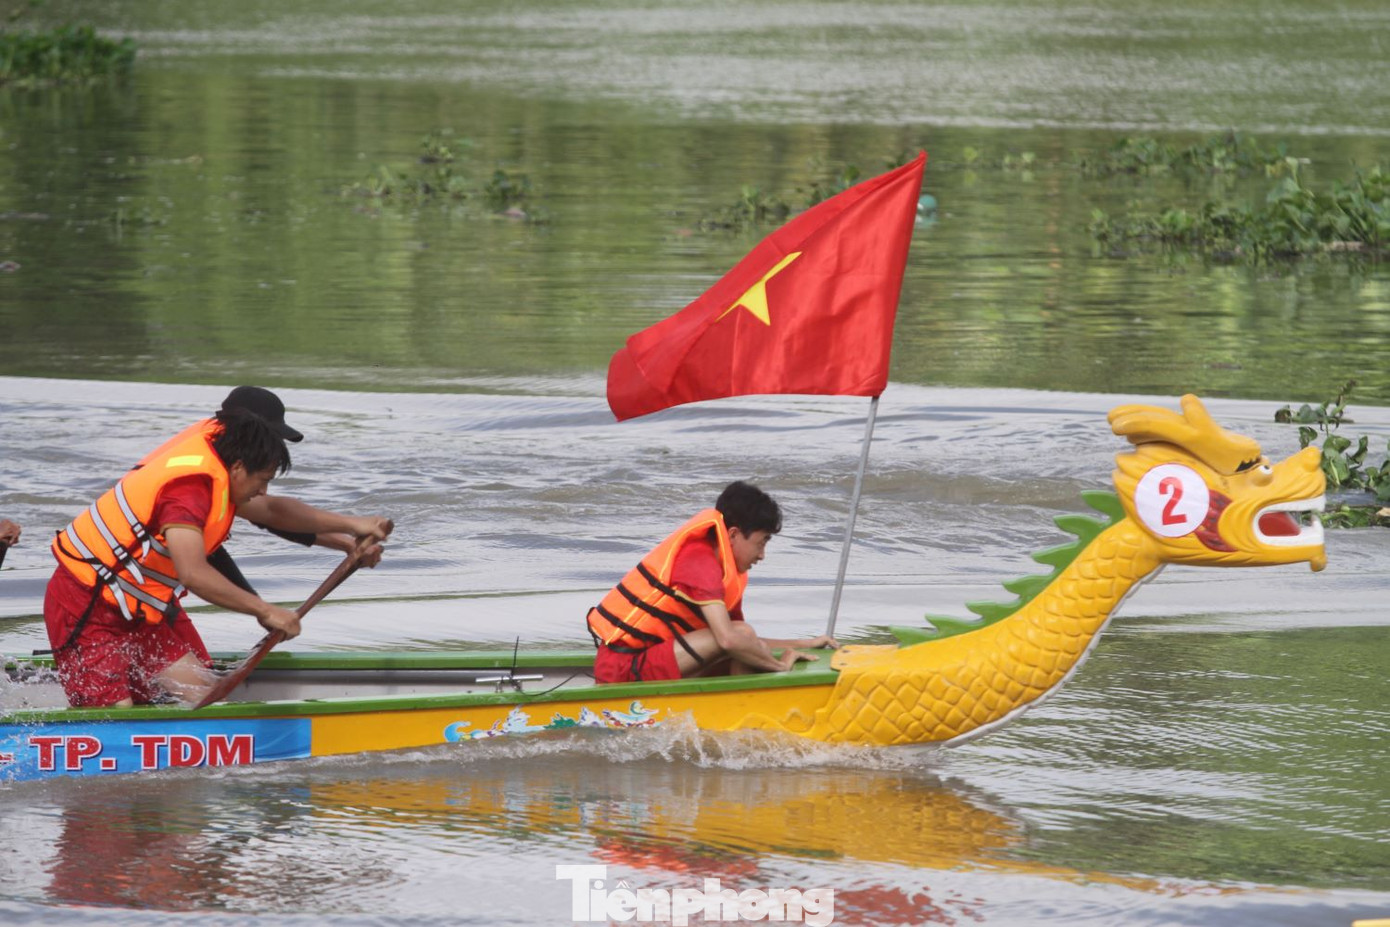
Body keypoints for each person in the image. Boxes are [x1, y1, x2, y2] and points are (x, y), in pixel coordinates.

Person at [43, 386, 393, 708]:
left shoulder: (223, 465)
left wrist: (350, 534)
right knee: (115, 712)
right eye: (263, 480)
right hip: (87, 603)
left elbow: (271, 512)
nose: (263, 491)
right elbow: (194, 573)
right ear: (240, 463)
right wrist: (266, 610)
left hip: (142, 606)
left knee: (205, 694)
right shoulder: (189, 489)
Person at [586, 481, 836, 684]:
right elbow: (729, 639)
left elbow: (744, 643)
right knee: (741, 637)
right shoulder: (699, 562)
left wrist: (805, 643)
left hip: (654, 660)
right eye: (761, 542)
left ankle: (740, 715)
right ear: (734, 535)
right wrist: (780, 665)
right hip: (622, 671)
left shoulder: (723, 568)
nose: (762, 555)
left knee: (745, 648)